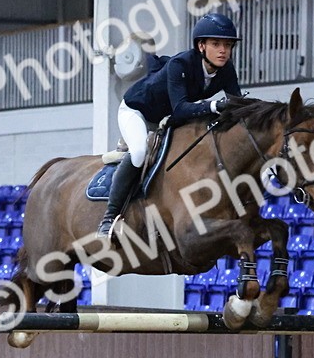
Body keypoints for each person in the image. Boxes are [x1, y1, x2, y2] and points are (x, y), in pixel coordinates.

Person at [96, 12, 243, 239]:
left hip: (167, 118)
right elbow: (181, 108)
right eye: (216, 44)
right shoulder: (180, 64)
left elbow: (238, 105)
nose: (223, 50)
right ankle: (109, 218)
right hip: (138, 111)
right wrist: (215, 105)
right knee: (139, 153)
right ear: (201, 46)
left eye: (228, 45)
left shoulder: (226, 70)